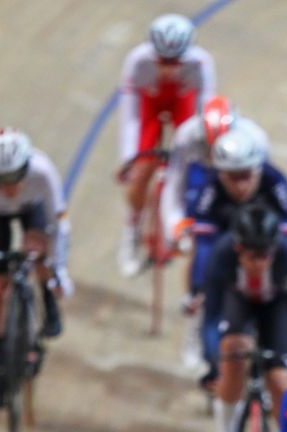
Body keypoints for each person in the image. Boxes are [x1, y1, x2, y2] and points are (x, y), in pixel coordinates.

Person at [0, 128, 73, 408]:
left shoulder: (43, 171)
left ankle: (46, 299)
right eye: (1, 179)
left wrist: (58, 271)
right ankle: (1, 369)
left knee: (37, 249)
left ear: (26, 166)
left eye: (14, 177)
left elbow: (61, 225)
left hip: (32, 208)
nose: (9, 187)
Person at [158, 95, 270, 368]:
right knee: (201, 243)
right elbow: (174, 185)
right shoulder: (187, 137)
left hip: (240, 180)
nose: (211, 151)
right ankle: (196, 315)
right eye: (207, 145)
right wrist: (175, 226)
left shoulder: (255, 138)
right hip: (208, 184)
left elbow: (268, 184)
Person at [116, 13, 216, 276]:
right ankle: (131, 233)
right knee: (141, 170)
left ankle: (174, 221)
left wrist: (196, 155)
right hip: (149, 104)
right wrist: (130, 158)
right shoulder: (137, 61)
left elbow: (203, 116)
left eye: (176, 61)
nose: (170, 68)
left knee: (183, 166)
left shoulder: (201, 63)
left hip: (183, 103)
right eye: (163, 60)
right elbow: (131, 115)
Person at [202, 203, 287, 429]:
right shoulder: (222, 254)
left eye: (265, 254)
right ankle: (226, 426)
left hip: (277, 307)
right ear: (238, 248)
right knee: (233, 353)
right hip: (240, 302)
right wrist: (212, 362)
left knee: (281, 381)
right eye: (252, 255)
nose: (259, 263)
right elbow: (211, 316)